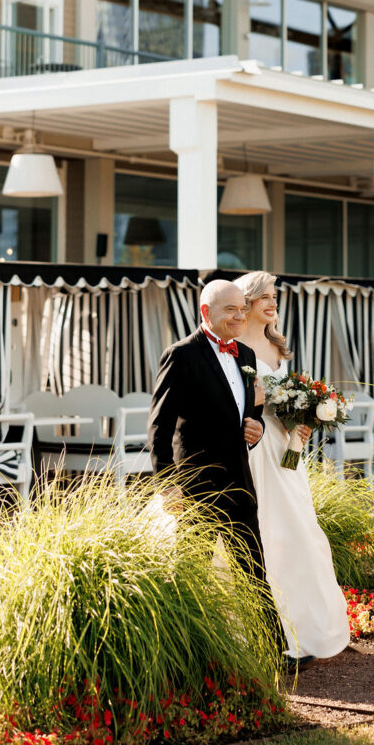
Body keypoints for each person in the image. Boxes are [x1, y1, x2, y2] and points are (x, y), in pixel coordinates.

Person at [147, 278, 286, 660]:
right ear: (206, 312)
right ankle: (179, 657)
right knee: (190, 576)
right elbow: (159, 428)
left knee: (252, 570)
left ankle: (273, 655)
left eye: (243, 308)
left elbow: (248, 414)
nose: (240, 316)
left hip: (239, 480)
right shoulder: (181, 355)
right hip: (196, 487)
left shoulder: (244, 353)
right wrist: (168, 487)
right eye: (231, 309)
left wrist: (254, 428)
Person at [234, 270, 351, 661]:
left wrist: (303, 423)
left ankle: (309, 628)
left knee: (301, 528)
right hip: (256, 448)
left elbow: (289, 398)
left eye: (275, 298)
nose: (272, 304)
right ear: (247, 302)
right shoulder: (233, 346)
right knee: (270, 530)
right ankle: (269, 631)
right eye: (265, 297)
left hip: (288, 451)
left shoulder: (277, 348)